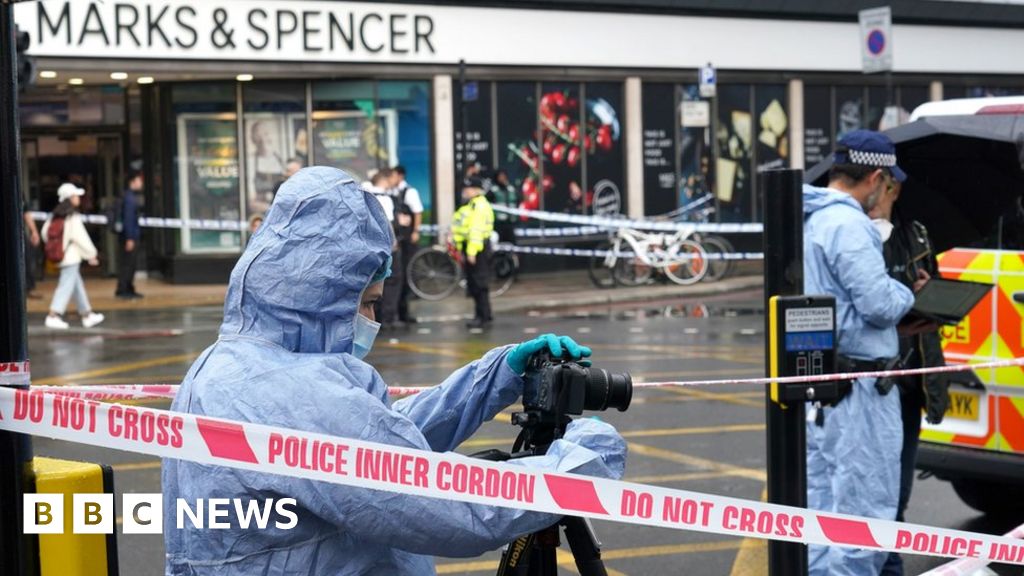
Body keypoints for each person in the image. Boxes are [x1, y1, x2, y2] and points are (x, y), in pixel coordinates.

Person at [162, 166, 626, 575]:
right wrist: (577, 465)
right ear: (321, 297)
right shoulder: (297, 392)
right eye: (367, 303)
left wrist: (495, 377)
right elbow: (445, 508)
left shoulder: (231, 364)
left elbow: (381, 440)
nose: (373, 320)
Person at [802, 130, 921, 576]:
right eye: (888, 184)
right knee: (865, 513)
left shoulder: (812, 218)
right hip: (862, 392)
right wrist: (908, 291)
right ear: (875, 178)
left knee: (823, 508)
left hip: (827, 385)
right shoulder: (850, 225)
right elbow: (879, 304)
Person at [871, 181, 951, 576]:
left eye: (894, 186)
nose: (890, 193)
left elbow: (934, 299)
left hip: (909, 381)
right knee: (869, 490)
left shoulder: (915, 233)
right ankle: (885, 564)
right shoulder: (853, 235)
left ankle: (889, 562)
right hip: (870, 385)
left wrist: (929, 294)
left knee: (898, 491)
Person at [42, 183, 105, 330]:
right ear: (69, 197)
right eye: (76, 195)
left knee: (77, 286)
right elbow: (81, 238)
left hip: (61, 256)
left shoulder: (55, 215)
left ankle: (87, 315)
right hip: (71, 257)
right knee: (65, 286)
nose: (78, 198)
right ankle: (53, 315)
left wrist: (58, 245)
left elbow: (45, 233)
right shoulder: (72, 216)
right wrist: (92, 254)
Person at [367, 169, 404, 328]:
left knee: (373, 282)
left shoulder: (365, 195)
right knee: (392, 281)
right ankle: (389, 318)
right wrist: (393, 242)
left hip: (369, 247)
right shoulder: (385, 198)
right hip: (386, 247)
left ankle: (375, 318)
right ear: (383, 180)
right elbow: (387, 223)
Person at [390, 165, 424, 324]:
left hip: (408, 238)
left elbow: (417, 212)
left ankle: (404, 311)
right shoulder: (391, 191)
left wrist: (416, 231)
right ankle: (395, 311)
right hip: (397, 239)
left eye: (394, 175)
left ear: (400, 176)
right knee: (397, 275)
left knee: (406, 272)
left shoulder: (410, 192)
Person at [461, 177, 495, 329]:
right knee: (477, 282)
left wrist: (472, 252)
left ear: (475, 190)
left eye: (467, 189)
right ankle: (483, 314)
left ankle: (482, 316)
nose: (465, 191)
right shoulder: (474, 204)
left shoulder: (478, 206)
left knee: (479, 283)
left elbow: (476, 231)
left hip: (478, 248)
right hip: (477, 247)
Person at [115, 167, 143, 300]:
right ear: (133, 181)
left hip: (130, 236)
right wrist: (130, 238)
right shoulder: (130, 198)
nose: (141, 183)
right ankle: (123, 289)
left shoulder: (129, 196)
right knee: (128, 263)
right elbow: (129, 219)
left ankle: (128, 287)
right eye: (139, 180)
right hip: (130, 237)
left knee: (130, 263)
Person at [488, 169, 519, 243]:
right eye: (500, 177)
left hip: (510, 222)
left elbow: (517, 201)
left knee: (512, 242)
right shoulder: (493, 190)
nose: (502, 178)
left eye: (504, 176)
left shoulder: (511, 189)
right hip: (498, 223)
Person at [23, 205, 42, 299]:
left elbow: (26, 213)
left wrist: (34, 231)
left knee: (26, 260)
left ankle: (28, 288)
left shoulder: (19, 196)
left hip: (16, 232)